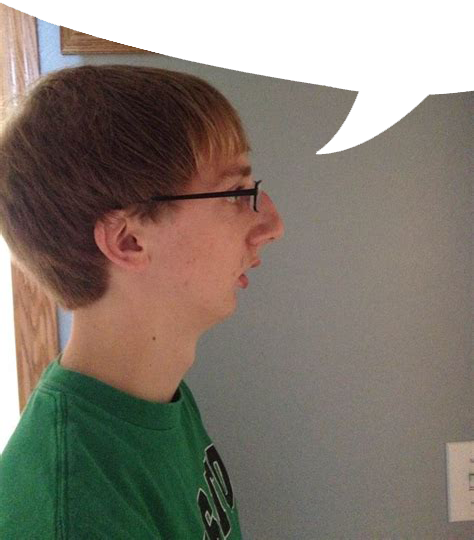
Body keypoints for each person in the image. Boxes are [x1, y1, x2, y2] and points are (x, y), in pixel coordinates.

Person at [0, 64, 284, 539]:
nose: (272, 225)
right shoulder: (73, 514)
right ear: (129, 241)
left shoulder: (155, 399)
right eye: (236, 193)